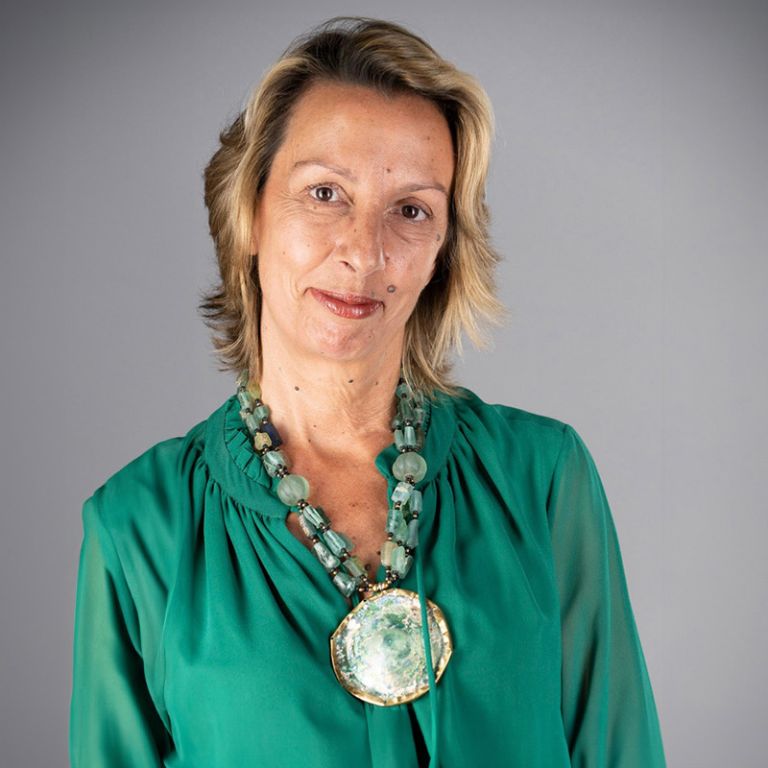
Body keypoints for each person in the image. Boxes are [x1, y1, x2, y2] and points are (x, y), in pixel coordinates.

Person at [69, 17, 666, 768]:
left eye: (411, 209)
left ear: (444, 249)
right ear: (249, 214)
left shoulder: (542, 478)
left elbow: (621, 751)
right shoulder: (138, 525)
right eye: (325, 193)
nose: (364, 251)